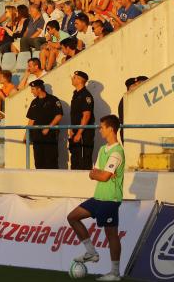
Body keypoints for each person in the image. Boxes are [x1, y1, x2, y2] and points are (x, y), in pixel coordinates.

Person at [67, 115, 125, 281]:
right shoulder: (102, 149)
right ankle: (91, 252)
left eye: (102, 127)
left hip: (110, 199)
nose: (100, 130)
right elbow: (95, 173)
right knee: (72, 217)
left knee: (111, 234)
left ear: (110, 129)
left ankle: (115, 273)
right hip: (98, 197)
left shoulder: (117, 151)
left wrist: (97, 174)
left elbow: (104, 176)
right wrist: (97, 174)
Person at [24, 79, 63, 169]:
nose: (31, 91)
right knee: (38, 162)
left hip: (50, 136)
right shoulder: (34, 102)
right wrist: (26, 135)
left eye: (33, 89)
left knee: (51, 162)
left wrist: (48, 127)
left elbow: (59, 116)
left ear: (39, 89)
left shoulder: (53, 100)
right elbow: (31, 119)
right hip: (37, 137)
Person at [69, 70, 95, 170]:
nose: (72, 79)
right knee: (75, 159)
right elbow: (75, 115)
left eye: (74, 77)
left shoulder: (86, 95)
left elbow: (86, 116)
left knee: (83, 160)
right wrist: (71, 129)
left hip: (84, 133)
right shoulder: (76, 94)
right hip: (76, 131)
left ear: (80, 80)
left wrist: (79, 132)